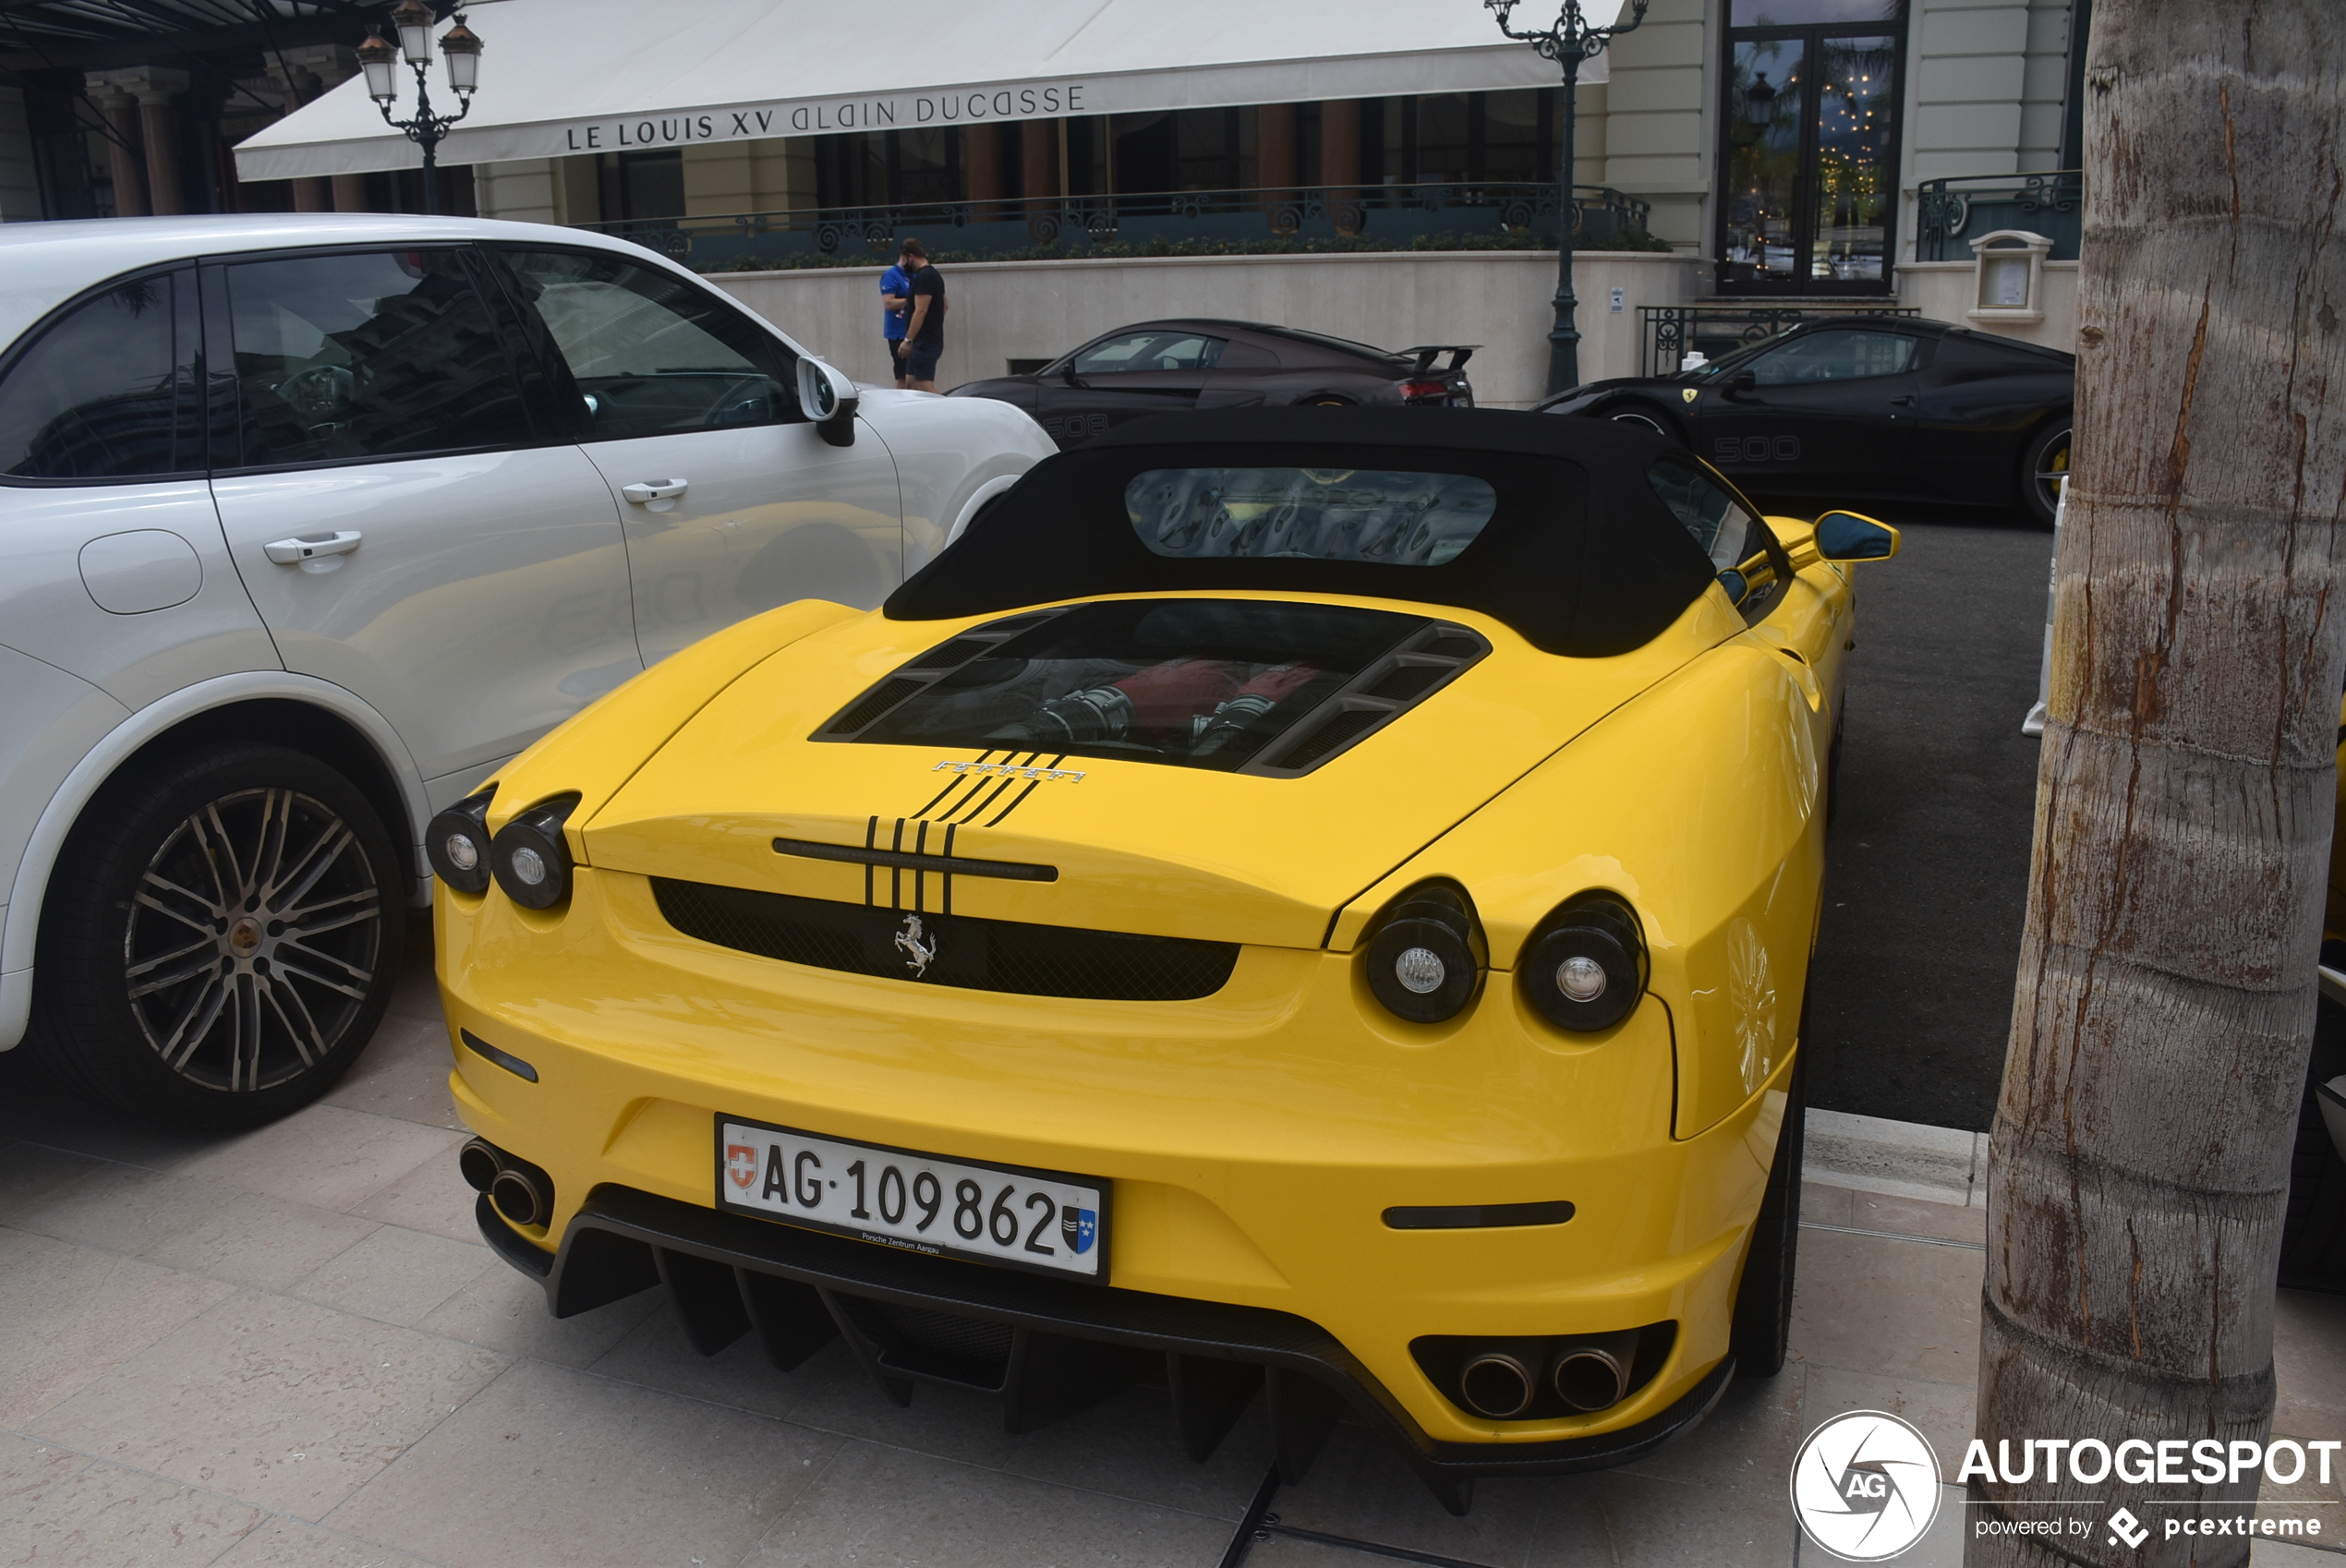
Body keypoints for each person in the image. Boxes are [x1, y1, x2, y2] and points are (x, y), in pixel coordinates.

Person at [897, 238, 946, 392]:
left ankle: (953, 410)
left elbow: (920, 310)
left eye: (904, 259)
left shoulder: (925, 277)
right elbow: (945, 305)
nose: (904, 264)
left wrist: (908, 340)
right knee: (911, 384)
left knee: (925, 387)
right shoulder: (931, 275)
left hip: (925, 341)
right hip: (923, 340)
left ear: (911, 256)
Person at [879, 249, 911, 388]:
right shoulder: (891, 275)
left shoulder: (913, 275)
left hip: (912, 330)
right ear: (903, 257)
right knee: (902, 375)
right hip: (898, 333)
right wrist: (909, 301)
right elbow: (888, 303)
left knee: (914, 375)